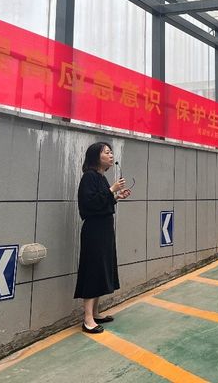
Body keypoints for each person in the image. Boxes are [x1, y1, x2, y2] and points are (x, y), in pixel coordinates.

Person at [74, 142, 130, 334]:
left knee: (101, 269)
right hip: (94, 231)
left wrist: (116, 197)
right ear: (96, 157)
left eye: (111, 152)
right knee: (93, 270)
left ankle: (95, 313)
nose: (111, 155)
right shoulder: (89, 177)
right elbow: (89, 204)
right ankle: (87, 319)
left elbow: (102, 202)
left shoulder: (101, 178)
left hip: (104, 230)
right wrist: (112, 190)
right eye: (107, 152)